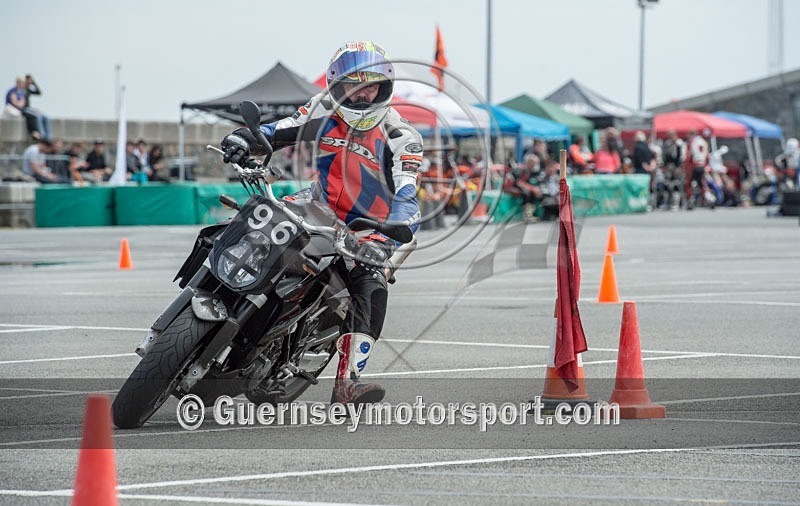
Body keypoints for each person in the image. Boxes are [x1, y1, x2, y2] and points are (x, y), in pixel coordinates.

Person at [220, 41, 422, 406]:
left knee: (370, 283)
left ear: (385, 87)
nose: (362, 95)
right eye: (352, 86)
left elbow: (407, 188)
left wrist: (397, 223)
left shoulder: (401, 134)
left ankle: (348, 381)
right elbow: (277, 130)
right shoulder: (323, 108)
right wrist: (242, 139)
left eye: (370, 85)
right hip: (318, 203)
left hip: (374, 224)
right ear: (336, 86)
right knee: (257, 225)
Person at [4, 75, 51, 140]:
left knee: (45, 116)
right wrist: (19, 103)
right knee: (36, 115)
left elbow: (38, 93)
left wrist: (33, 83)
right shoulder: (13, 90)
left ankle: (48, 137)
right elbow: (15, 103)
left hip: (24, 108)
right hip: (18, 110)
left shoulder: (24, 91)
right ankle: (40, 135)